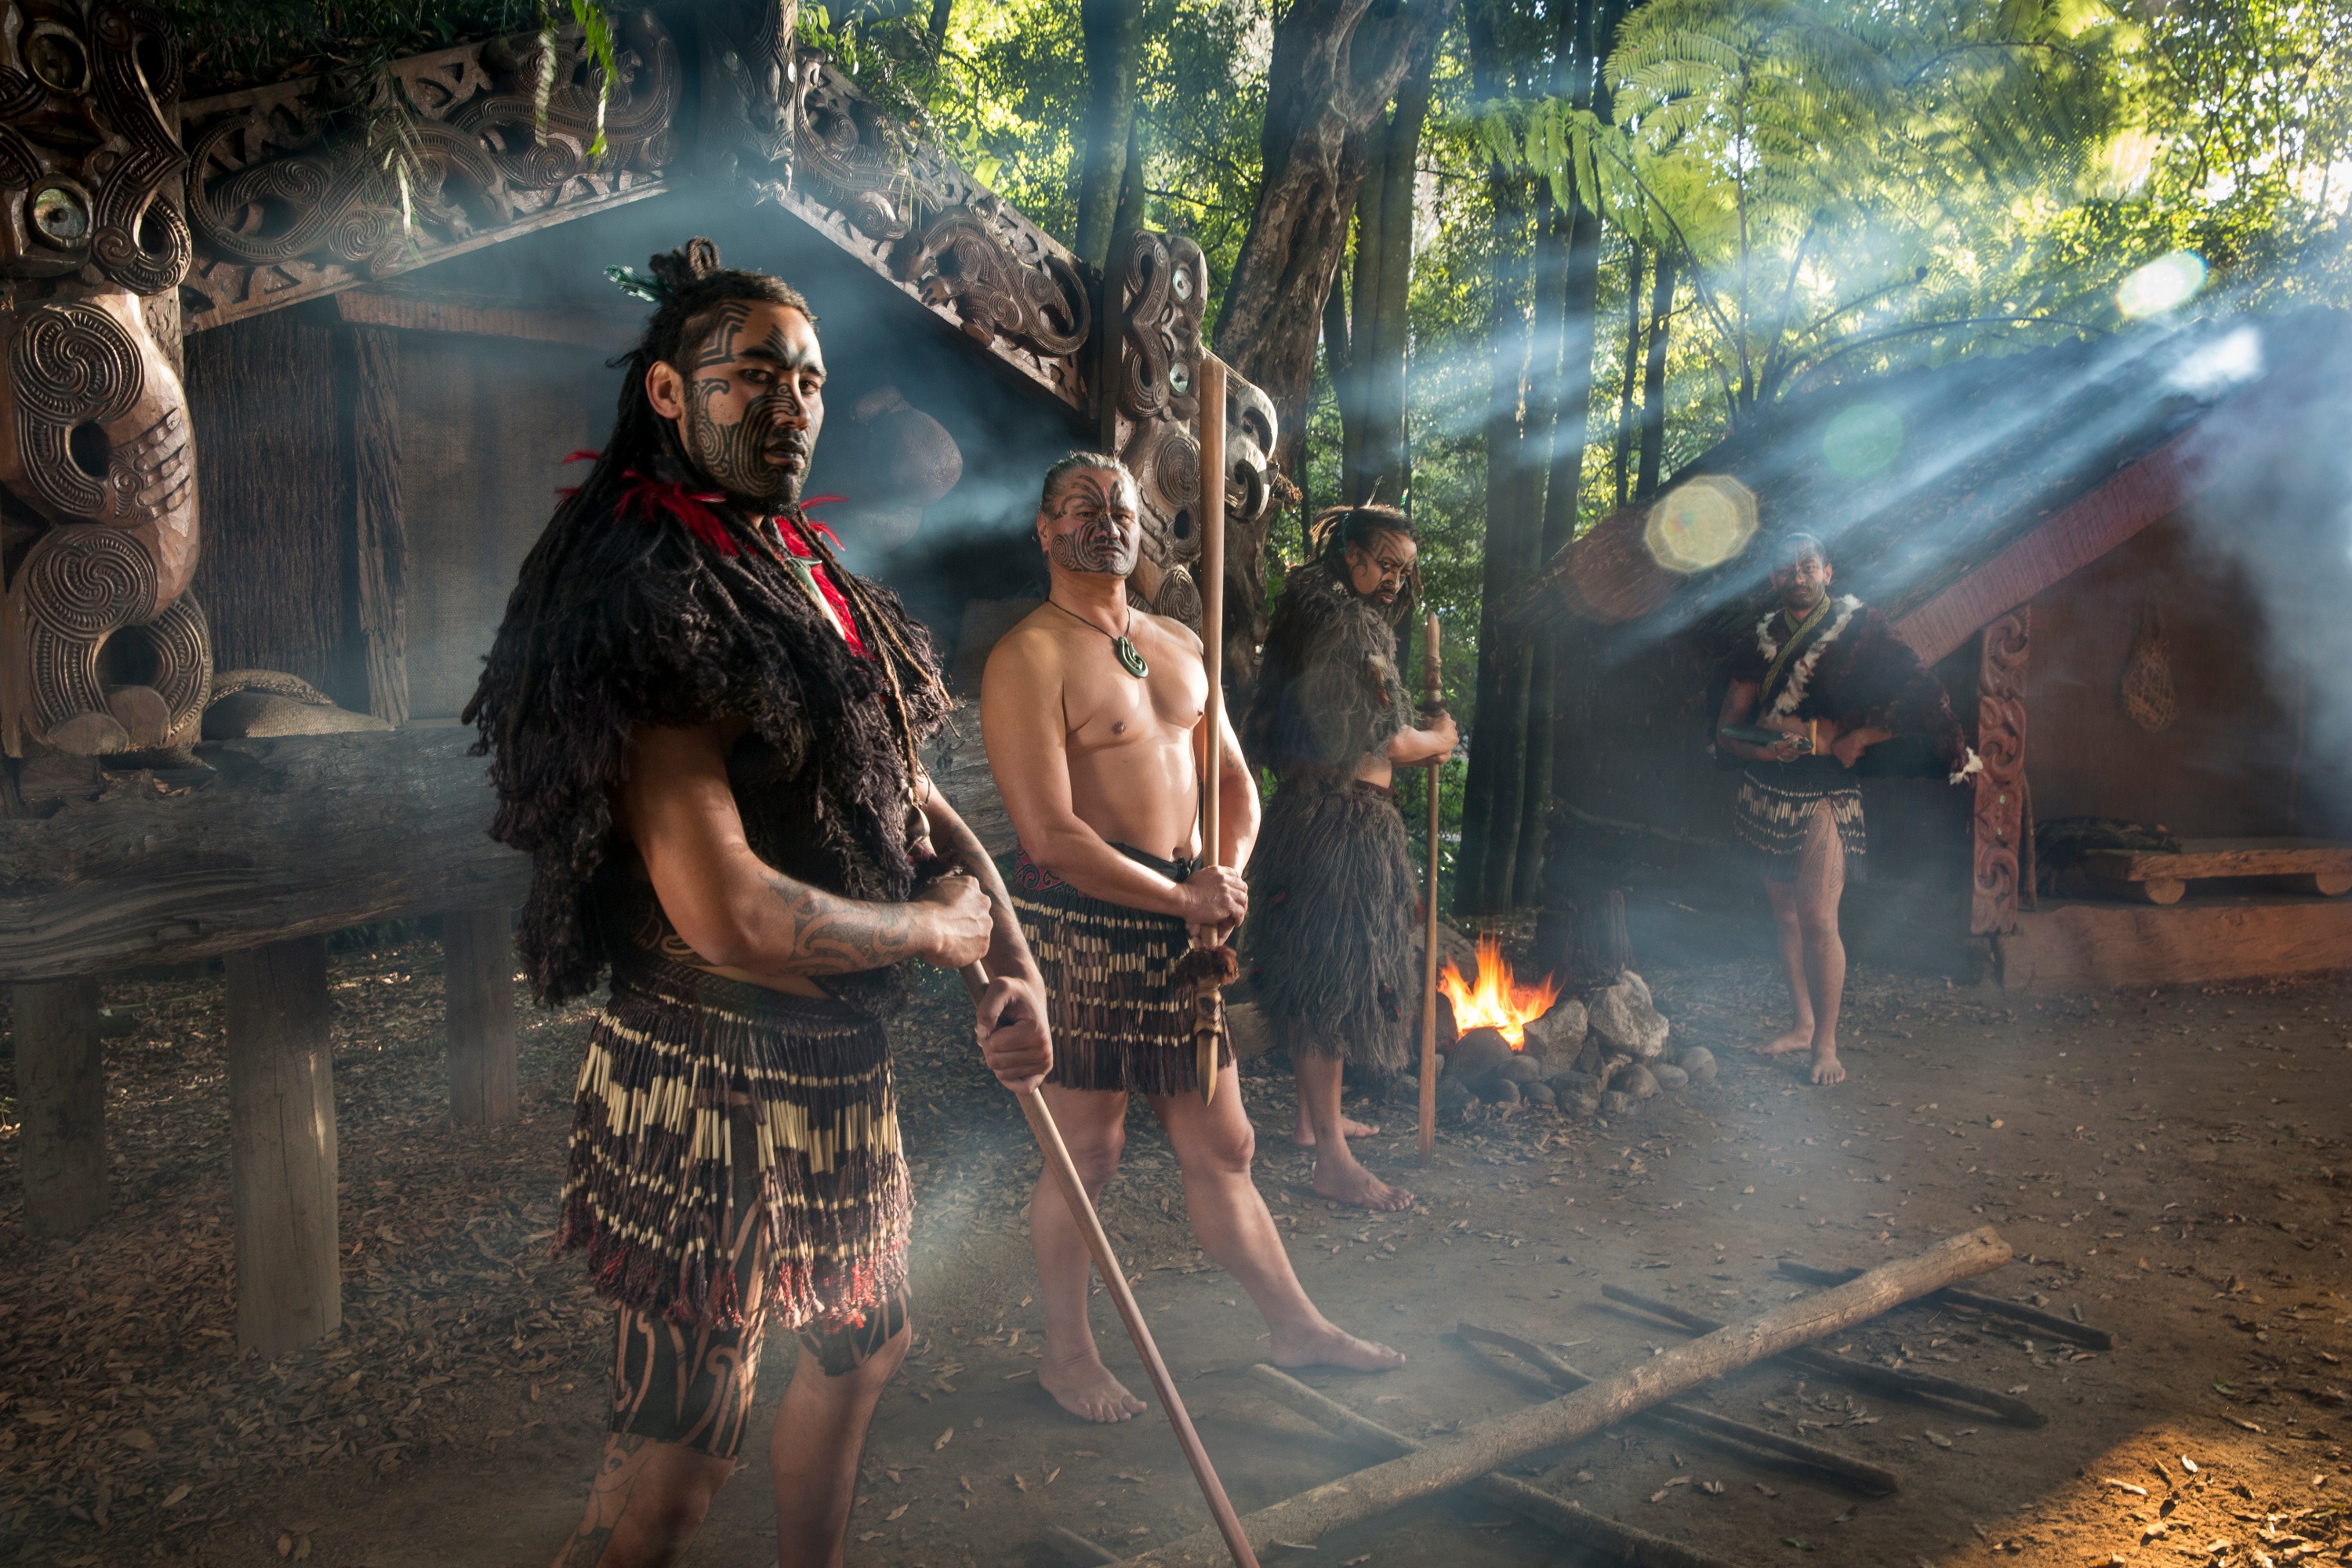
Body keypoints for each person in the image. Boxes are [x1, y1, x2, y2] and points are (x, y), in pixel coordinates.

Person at [464, 238, 1051, 1568]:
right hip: (710, 1076)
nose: (791, 401)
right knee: (681, 1446)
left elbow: (903, 794)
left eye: (811, 378)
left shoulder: (799, 567)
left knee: (862, 1349)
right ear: (670, 394)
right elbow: (726, 909)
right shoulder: (646, 591)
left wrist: (1005, 961)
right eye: (755, 375)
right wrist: (941, 934)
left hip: (840, 1071)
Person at [981, 453, 1405, 1424]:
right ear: (1044, 529)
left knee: (1225, 1140)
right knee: (1088, 1150)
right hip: (1087, 929)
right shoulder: (1029, 656)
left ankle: (1296, 1323)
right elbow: (1050, 838)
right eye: (1082, 506)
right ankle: (1067, 1352)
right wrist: (1181, 900)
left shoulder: (1176, 640)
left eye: (1122, 505)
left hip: (1189, 917)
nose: (1108, 520)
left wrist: (1228, 877)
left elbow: (1234, 785)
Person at [1243, 504, 1457, 1212]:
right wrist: (1438, 742)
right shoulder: (1350, 624)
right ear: (1354, 557)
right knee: (1331, 986)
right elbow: (1383, 739)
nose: (1396, 580)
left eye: (1406, 568)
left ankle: (1314, 1123)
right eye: (1386, 564)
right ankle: (1332, 1161)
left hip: (1309, 814)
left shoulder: (1308, 610)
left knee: (1316, 975)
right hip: (1342, 823)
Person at [1715, 532, 1976, 1087]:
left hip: (1825, 795)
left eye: (1809, 564)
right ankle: (1803, 1025)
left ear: (1828, 573)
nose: (1798, 573)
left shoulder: (1862, 632)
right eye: (1787, 567)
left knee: (1818, 917)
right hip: (1767, 792)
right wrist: (1763, 746)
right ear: (1774, 580)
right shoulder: (1756, 641)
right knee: (1785, 914)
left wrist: (1861, 739)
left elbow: (1925, 700)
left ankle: (1827, 1046)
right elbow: (1727, 732)